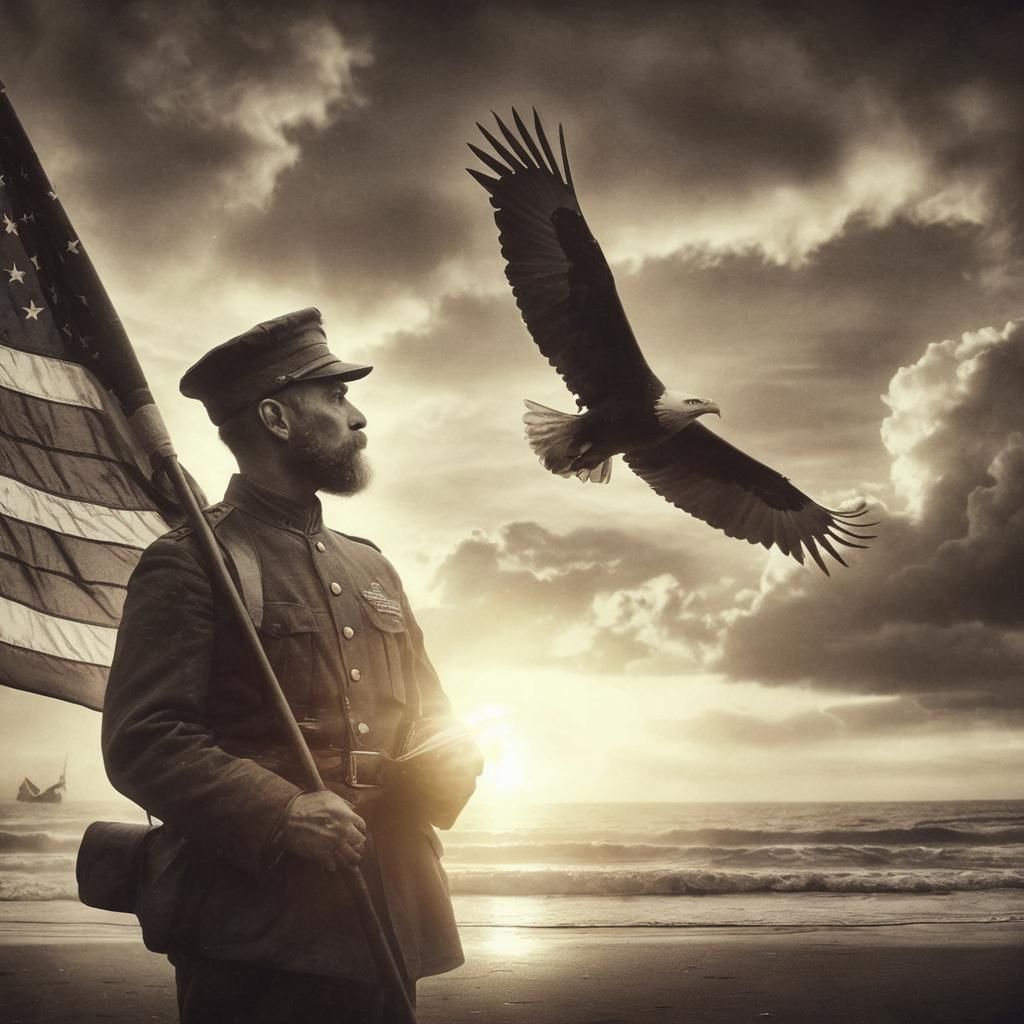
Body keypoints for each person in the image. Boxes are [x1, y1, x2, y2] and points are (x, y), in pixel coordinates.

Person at [101, 308, 482, 1023]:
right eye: (335, 398)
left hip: (389, 911)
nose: (357, 416)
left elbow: (433, 713)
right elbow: (144, 739)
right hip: (256, 931)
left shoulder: (371, 565)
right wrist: (283, 813)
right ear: (276, 417)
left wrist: (450, 760)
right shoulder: (189, 562)